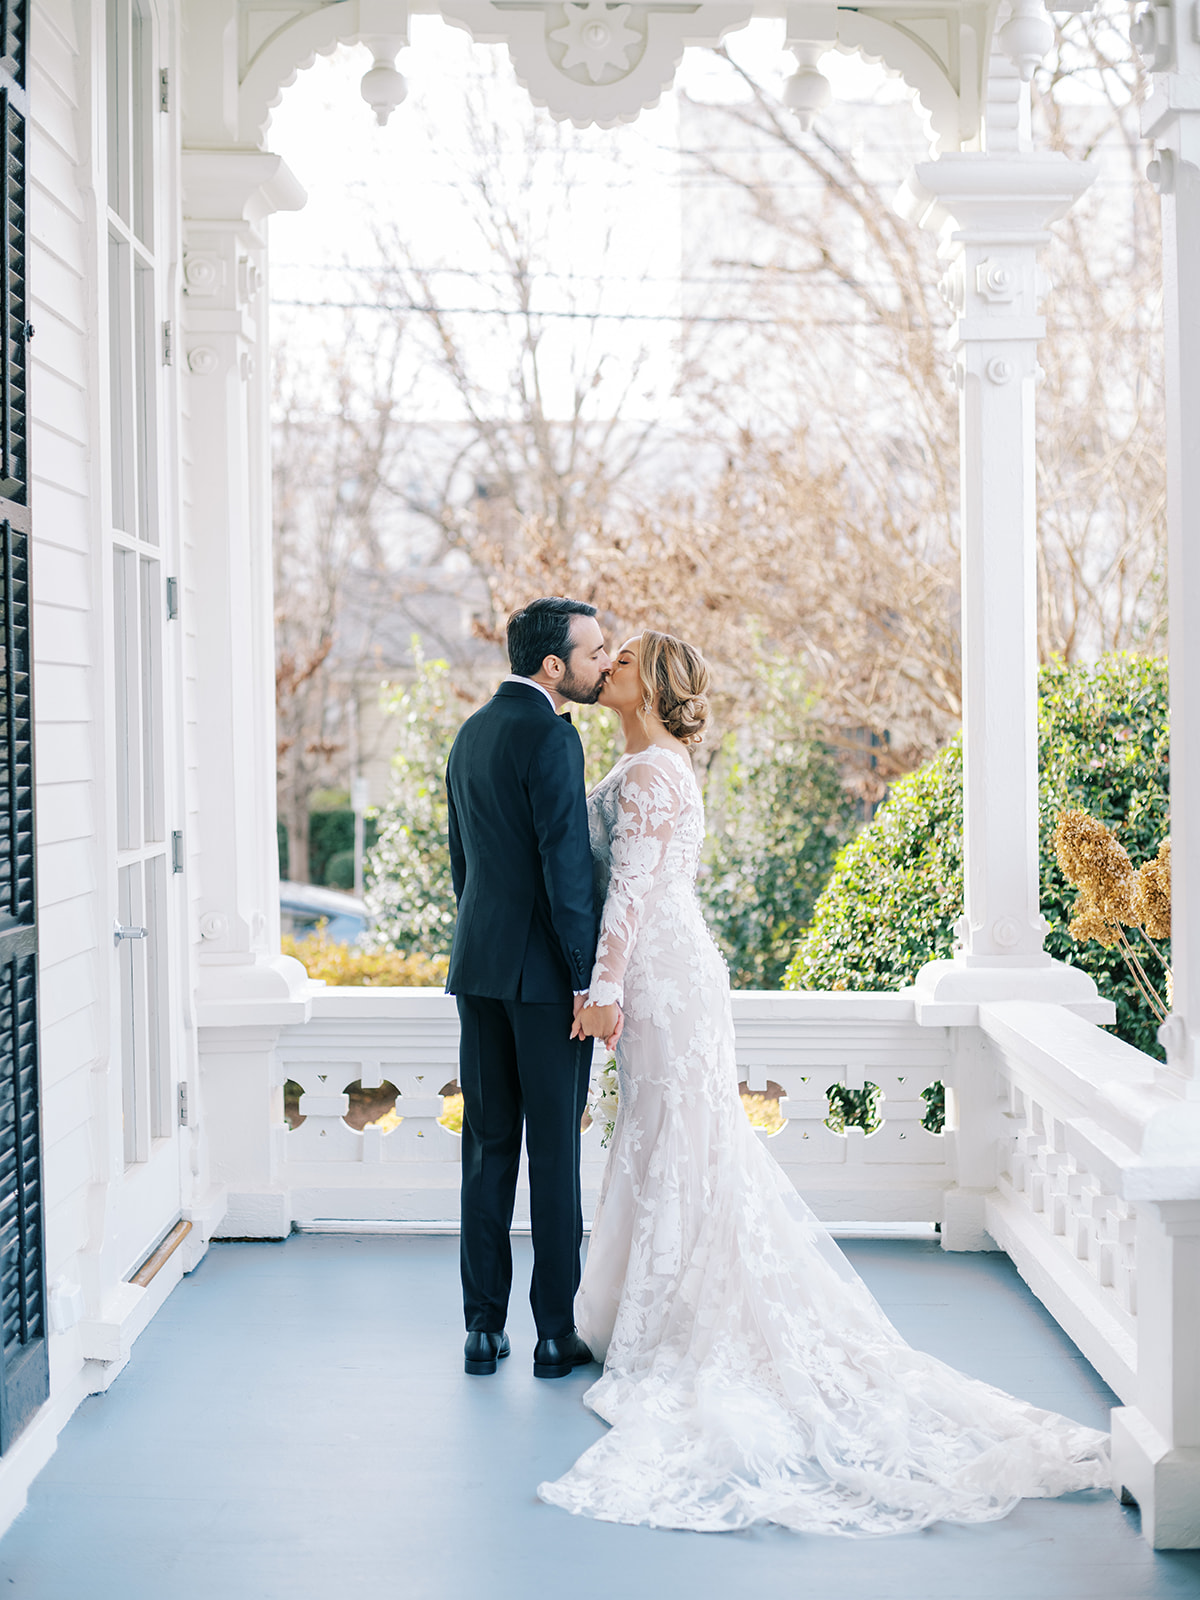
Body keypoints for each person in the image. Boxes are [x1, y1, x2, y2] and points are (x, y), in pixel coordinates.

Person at [538, 630, 1112, 1535]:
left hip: (660, 972)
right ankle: (648, 1304)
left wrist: (604, 988)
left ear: (649, 686)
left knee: (680, 1136)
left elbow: (632, 892)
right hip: (668, 971)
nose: (606, 665)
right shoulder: (649, 763)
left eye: (624, 661)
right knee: (670, 1135)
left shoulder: (650, 774)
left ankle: (674, 1319)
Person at [445, 597, 613, 1380]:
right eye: (593, 652)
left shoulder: (472, 732)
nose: (603, 664)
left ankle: (482, 1331)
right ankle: (553, 1334)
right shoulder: (552, 734)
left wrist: (485, 949)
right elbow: (564, 867)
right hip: (545, 982)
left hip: (478, 970)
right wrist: (586, 977)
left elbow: (463, 864)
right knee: (553, 1154)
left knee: (486, 1150)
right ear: (553, 665)